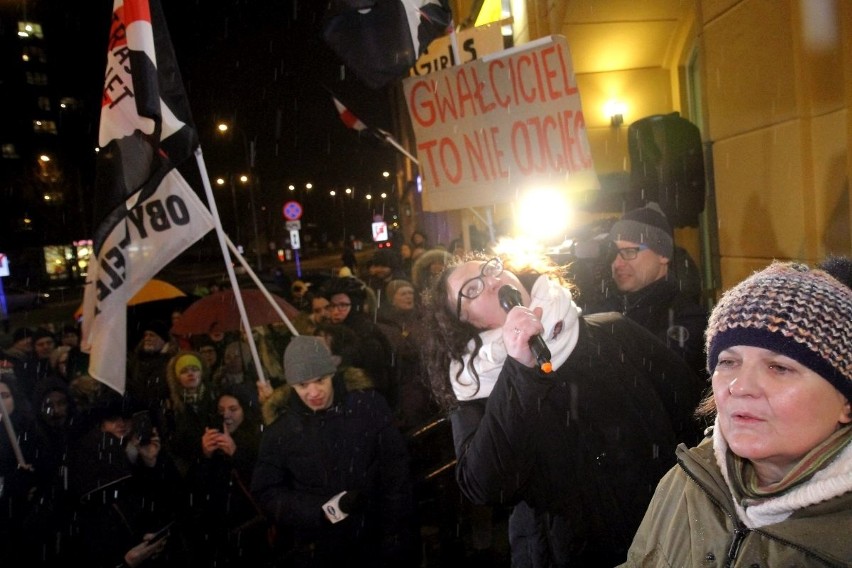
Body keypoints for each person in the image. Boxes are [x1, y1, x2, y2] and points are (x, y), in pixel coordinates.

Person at [421, 250, 706, 566]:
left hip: (668, 537)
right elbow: (486, 486)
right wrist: (519, 369)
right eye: (471, 291)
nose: (491, 283)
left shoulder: (613, 331)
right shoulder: (474, 387)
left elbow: (693, 409)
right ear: (462, 322)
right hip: (566, 554)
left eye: (491, 269)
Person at [620, 260, 852, 566]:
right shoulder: (686, 481)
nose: (740, 386)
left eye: (779, 368)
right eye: (728, 362)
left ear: (846, 404)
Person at [251, 336, 419, 567]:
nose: (313, 392)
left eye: (320, 380)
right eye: (302, 385)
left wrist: (395, 529)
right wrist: (321, 511)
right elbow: (267, 491)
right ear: (292, 386)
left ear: (332, 374)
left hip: (376, 535)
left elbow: (395, 468)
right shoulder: (280, 431)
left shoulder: (368, 405)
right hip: (320, 547)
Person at [600, 202, 709, 377]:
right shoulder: (604, 305)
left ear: (663, 255)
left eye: (629, 252)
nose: (617, 263)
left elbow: (656, 369)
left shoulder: (689, 318)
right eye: (613, 254)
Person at [185, 387, 271, 566]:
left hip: (251, 532)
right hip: (220, 535)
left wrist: (236, 454)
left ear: (244, 411)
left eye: (233, 409)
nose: (226, 416)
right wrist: (205, 456)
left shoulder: (259, 440)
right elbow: (195, 490)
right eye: (221, 411)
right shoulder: (206, 443)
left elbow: (262, 484)